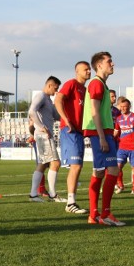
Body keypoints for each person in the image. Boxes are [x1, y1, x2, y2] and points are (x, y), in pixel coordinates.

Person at [82, 51, 125, 226]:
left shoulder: (101, 85)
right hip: (100, 133)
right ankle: (105, 214)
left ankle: (94, 215)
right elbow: (94, 111)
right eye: (109, 61)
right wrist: (102, 137)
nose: (113, 64)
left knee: (99, 172)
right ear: (99, 65)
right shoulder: (97, 84)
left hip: (100, 132)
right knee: (113, 170)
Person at [54, 61, 91, 215]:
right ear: (77, 71)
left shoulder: (85, 89)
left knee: (78, 166)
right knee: (75, 166)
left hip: (79, 132)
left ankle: (71, 201)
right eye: (86, 69)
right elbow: (58, 99)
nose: (89, 71)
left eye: (89, 69)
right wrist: (66, 119)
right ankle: (70, 203)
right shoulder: (72, 84)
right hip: (70, 130)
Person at [27, 76, 64, 202]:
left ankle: (33, 195)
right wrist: (42, 127)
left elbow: (57, 116)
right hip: (43, 135)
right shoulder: (41, 96)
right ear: (49, 85)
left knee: (42, 165)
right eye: (56, 87)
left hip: (44, 135)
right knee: (55, 163)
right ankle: (53, 195)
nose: (56, 90)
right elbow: (32, 111)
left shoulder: (48, 99)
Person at [114, 96, 134, 194]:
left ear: (129, 107)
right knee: (118, 167)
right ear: (120, 106)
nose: (123, 108)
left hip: (133, 147)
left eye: (125, 106)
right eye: (122, 106)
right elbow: (116, 132)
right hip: (122, 147)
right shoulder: (118, 119)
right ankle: (120, 185)